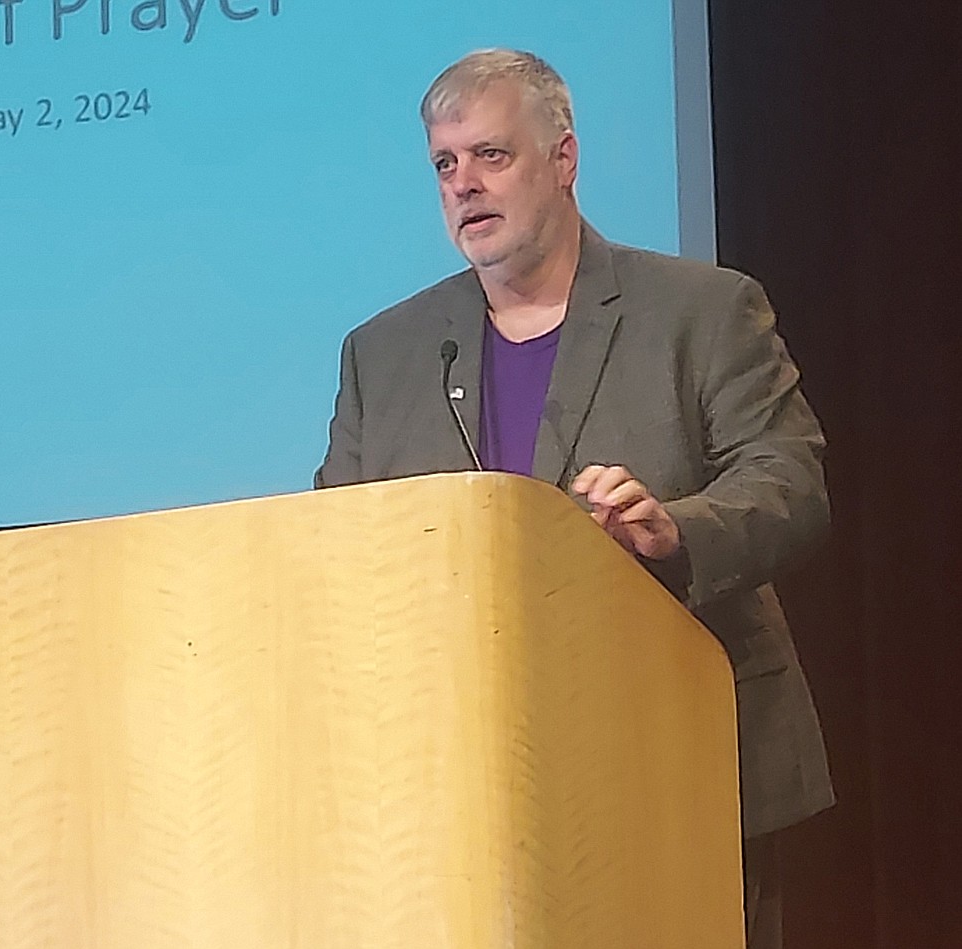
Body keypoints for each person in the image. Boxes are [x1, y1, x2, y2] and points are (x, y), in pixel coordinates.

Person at [316, 48, 833, 948]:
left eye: (491, 155)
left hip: (678, 768)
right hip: (452, 797)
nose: (464, 185)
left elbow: (790, 482)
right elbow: (329, 540)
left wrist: (679, 528)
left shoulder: (701, 311)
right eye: (445, 164)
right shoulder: (386, 353)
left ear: (564, 159)